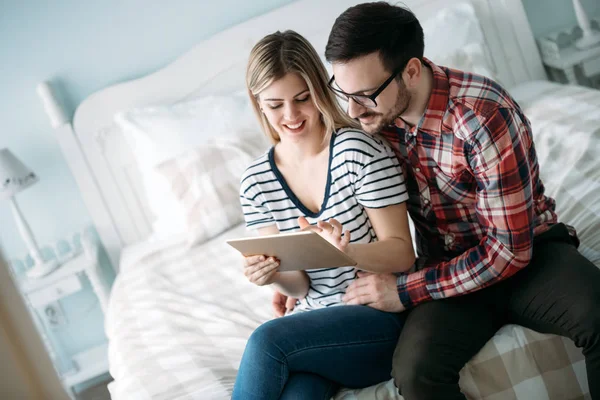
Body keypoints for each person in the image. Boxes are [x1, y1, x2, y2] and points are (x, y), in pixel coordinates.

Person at [263, 2, 600, 399]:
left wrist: (404, 291)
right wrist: (296, 273)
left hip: (527, 253)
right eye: (343, 92)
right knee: (415, 374)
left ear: (410, 70)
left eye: (365, 95)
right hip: (443, 266)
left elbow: (508, 253)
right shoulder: (371, 119)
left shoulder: (483, 115)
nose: (353, 110)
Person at [230, 30, 416, 400]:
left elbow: (402, 254)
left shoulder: (358, 152)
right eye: (275, 104)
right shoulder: (256, 182)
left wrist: (344, 252)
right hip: (314, 330)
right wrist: (272, 274)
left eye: (302, 99)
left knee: (267, 340)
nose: (291, 115)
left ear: (319, 89)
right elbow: (299, 287)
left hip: (378, 317)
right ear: (258, 104)